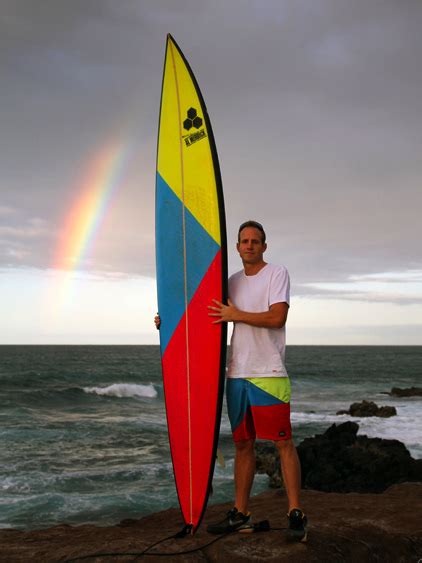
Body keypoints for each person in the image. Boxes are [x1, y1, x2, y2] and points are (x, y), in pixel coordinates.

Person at [206, 220, 307, 542]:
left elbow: (277, 317)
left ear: (264, 246)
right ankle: (241, 514)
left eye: (255, 241)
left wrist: (237, 315)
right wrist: (163, 321)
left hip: (269, 374)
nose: (249, 245)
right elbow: (204, 315)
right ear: (236, 248)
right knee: (242, 444)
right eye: (244, 241)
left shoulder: (276, 274)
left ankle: (295, 513)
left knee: (282, 443)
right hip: (236, 374)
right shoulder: (230, 282)